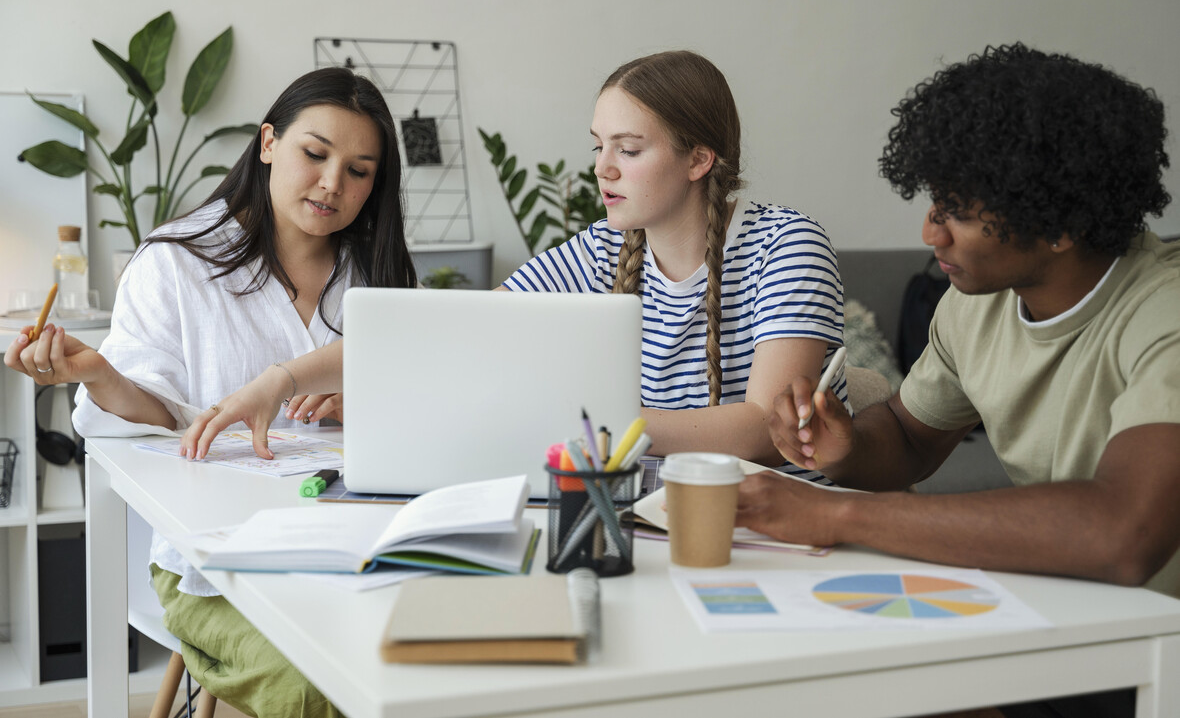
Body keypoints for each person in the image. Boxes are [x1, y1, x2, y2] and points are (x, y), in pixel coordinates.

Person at [737, 43, 1180, 718]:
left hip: (1152, 650)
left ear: (1061, 223)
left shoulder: (1164, 311)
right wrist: (846, 445)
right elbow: (912, 438)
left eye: (955, 212)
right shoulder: (974, 302)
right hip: (1063, 622)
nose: (929, 231)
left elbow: (1123, 534)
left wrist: (836, 511)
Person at [5, 66, 417, 717]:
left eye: (360, 170)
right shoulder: (177, 262)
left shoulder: (376, 275)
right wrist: (98, 374)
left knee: (443, 668)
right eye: (315, 154)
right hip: (220, 566)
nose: (333, 183)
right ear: (268, 143)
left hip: (365, 548)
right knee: (325, 686)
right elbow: (157, 413)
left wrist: (364, 403)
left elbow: (419, 400)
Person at [501, 50, 846, 473]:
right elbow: (481, 325)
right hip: (650, 514)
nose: (601, 168)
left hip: (779, 520)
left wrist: (594, 423)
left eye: (628, 150)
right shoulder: (600, 250)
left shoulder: (786, 245)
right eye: (598, 146)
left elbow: (765, 428)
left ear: (699, 159)